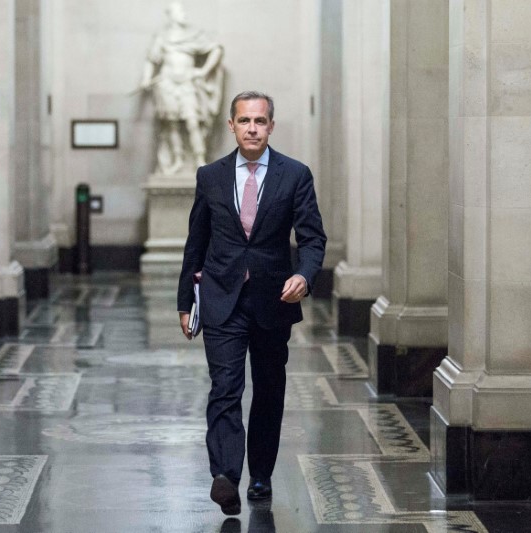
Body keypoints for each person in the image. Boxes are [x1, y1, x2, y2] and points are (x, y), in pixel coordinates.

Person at [177, 91, 327, 515]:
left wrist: (304, 274)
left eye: (260, 121)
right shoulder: (210, 176)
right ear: (231, 125)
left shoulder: (295, 175)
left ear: (271, 127)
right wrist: (185, 299)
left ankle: (260, 473)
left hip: (272, 300)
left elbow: (313, 238)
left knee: (268, 389)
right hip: (221, 298)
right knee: (225, 387)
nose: (252, 128)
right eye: (244, 121)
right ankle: (225, 475)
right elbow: (196, 242)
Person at [140, 2, 223, 175]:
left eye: (184, 11)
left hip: (187, 84)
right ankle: (178, 160)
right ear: (171, 15)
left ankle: (200, 159)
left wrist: (203, 71)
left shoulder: (193, 35)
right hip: (167, 84)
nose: (184, 14)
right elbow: (152, 59)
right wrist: (146, 78)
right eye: (180, 11)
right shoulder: (162, 37)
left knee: (192, 121)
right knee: (172, 124)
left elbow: (216, 49)